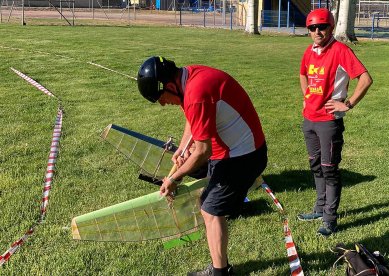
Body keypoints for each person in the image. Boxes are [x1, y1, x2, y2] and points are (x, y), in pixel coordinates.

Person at [137, 56, 268, 275]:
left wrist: (174, 178)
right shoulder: (187, 78)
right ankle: (235, 203)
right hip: (234, 150)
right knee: (208, 194)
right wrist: (182, 147)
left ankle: (220, 272)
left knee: (210, 210)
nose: (161, 103)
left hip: (243, 156)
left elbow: (203, 151)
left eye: (160, 97)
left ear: (168, 86)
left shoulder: (195, 93)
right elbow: (192, 117)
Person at [297, 8, 373, 236]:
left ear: (330, 27)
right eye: (313, 28)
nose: (317, 31)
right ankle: (319, 208)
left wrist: (347, 104)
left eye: (322, 27)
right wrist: (307, 96)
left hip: (329, 122)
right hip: (309, 119)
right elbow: (303, 74)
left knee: (329, 170)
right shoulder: (309, 52)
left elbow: (366, 79)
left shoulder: (340, 50)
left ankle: (330, 218)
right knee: (316, 166)